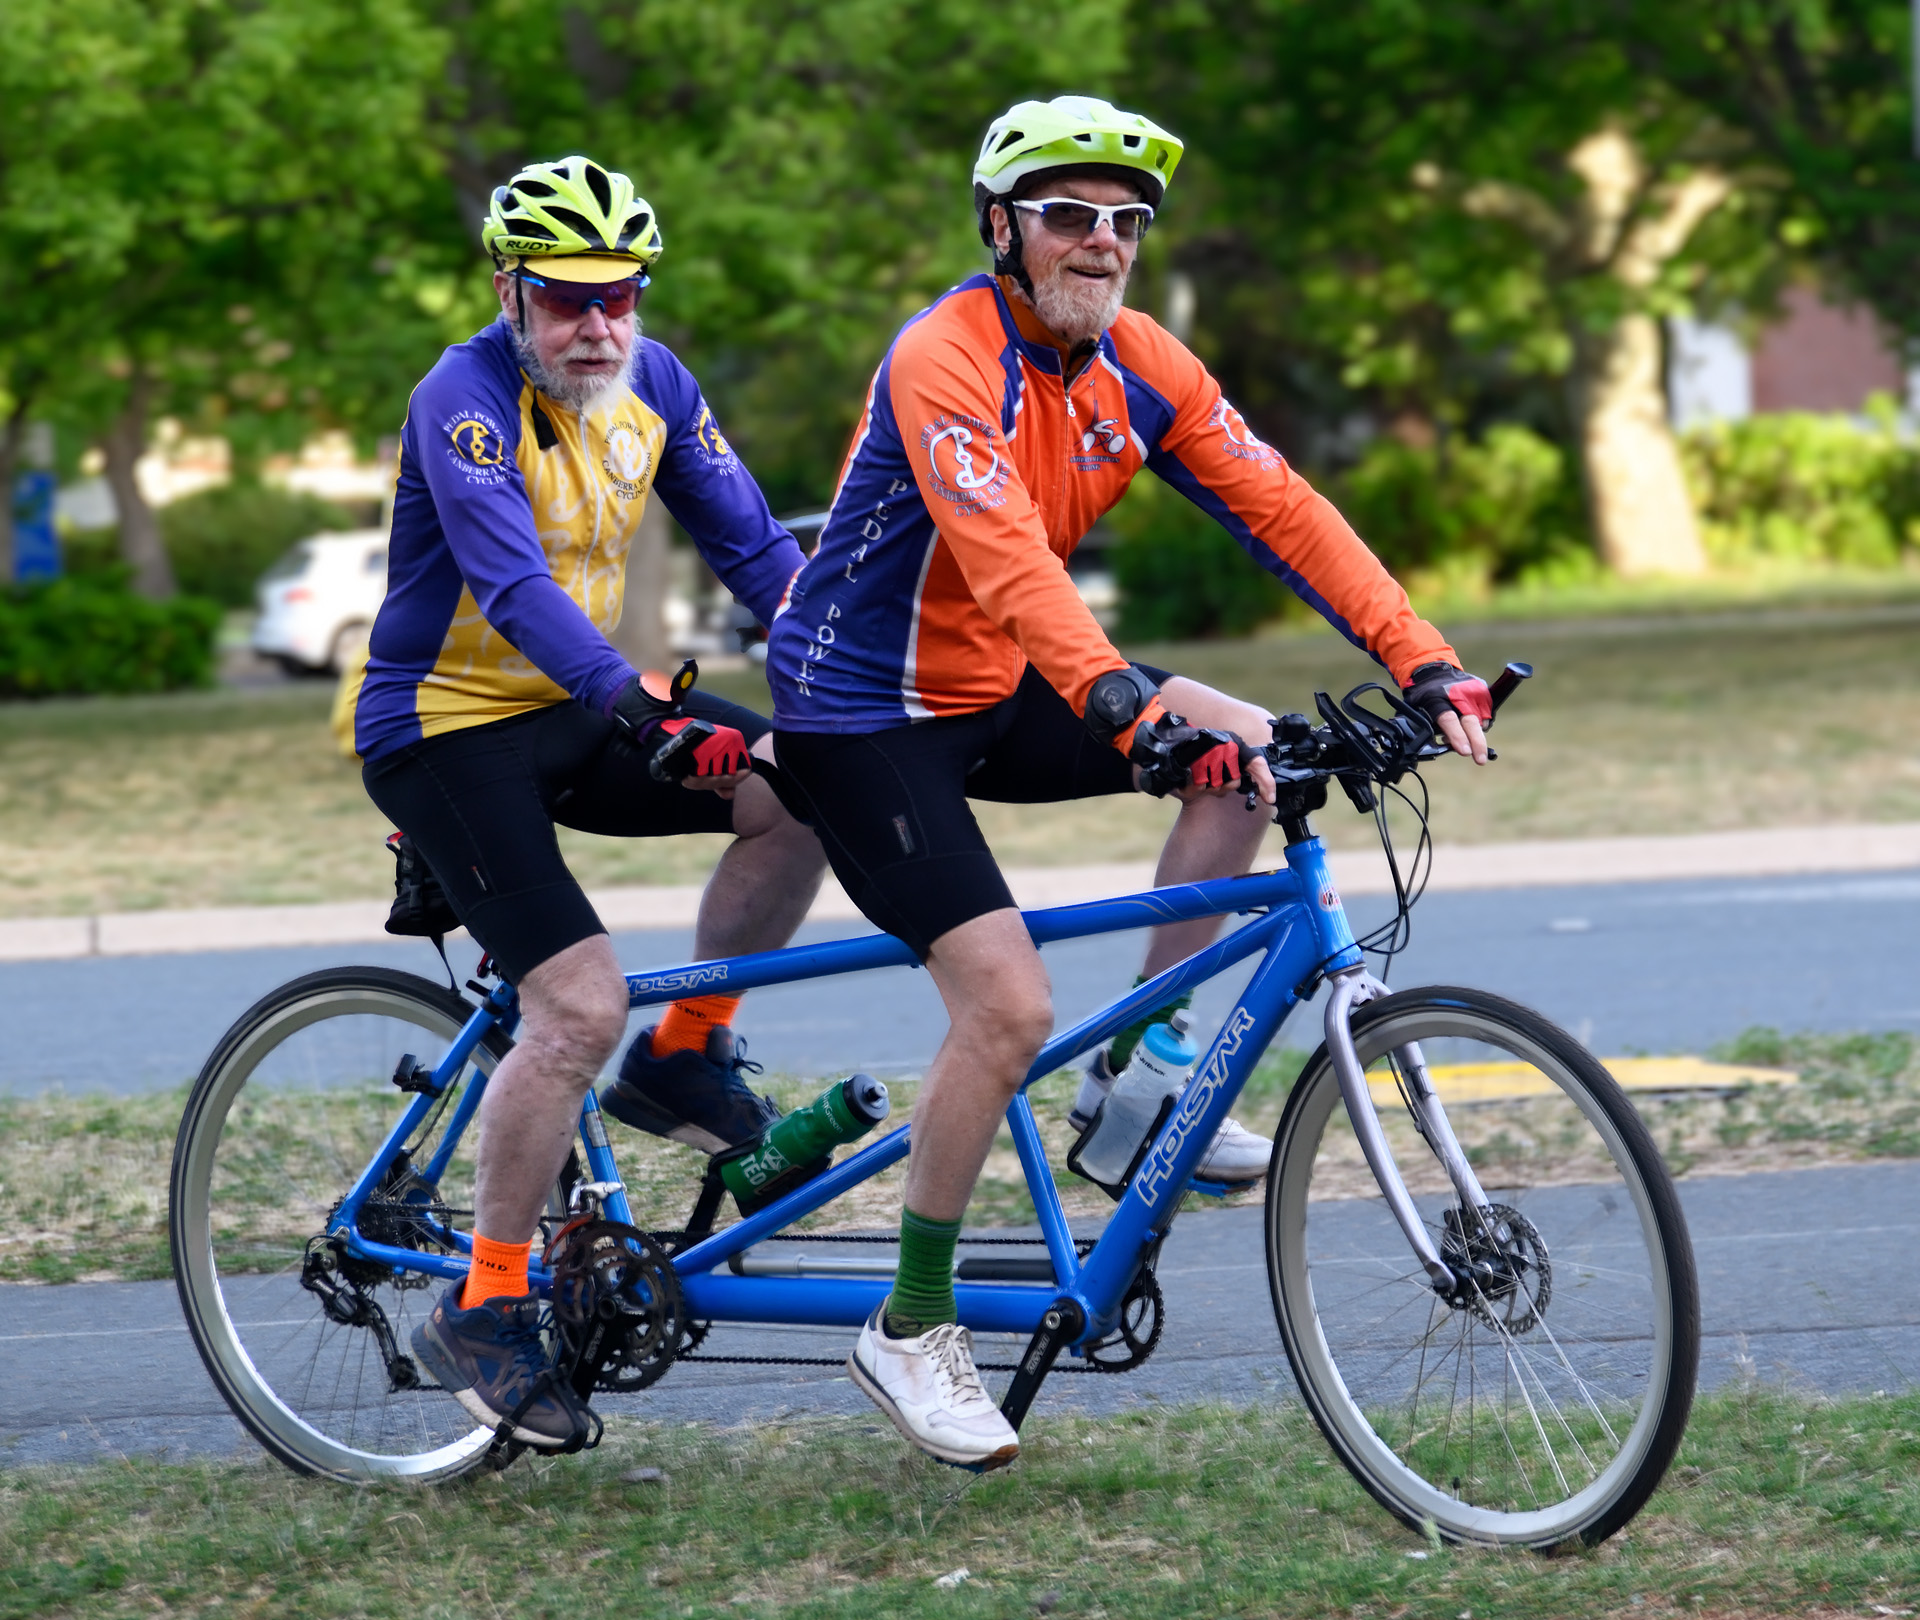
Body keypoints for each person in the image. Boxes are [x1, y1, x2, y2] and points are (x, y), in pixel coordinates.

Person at [764, 97, 1493, 1469]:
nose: (1101, 243)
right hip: (864, 715)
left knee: (1253, 757)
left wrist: (1426, 659)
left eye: (1124, 222)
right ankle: (910, 1325)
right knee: (1004, 1001)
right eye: (1068, 216)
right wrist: (1114, 700)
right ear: (1003, 230)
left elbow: (1284, 509)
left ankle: (1138, 1086)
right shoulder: (944, 358)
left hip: (1004, 680)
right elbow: (1004, 558)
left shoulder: (1141, 363)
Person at [348, 155, 826, 1449]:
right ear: (509, 291)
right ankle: (488, 1307)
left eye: (619, 294)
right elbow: (511, 589)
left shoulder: (652, 384)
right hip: (443, 725)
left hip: (574, 714)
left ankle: (685, 1058)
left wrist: (844, 656)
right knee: (576, 1001)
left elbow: (755, 549)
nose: (599, 323)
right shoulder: (463, 398)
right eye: (567, 299)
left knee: (805, 786)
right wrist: (642, 713)